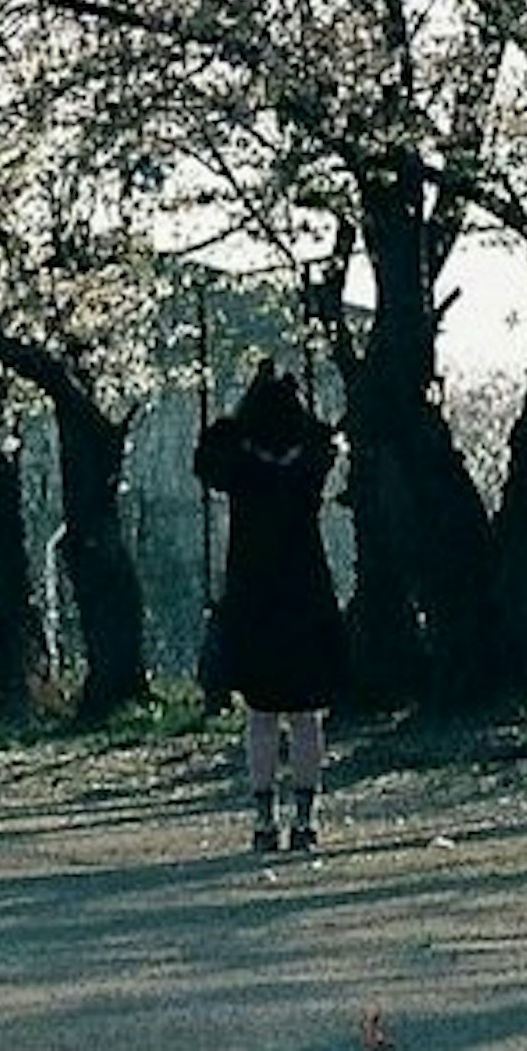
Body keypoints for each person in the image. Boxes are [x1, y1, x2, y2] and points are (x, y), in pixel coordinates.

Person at [192, 359, 349, 853]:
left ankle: (263, 817)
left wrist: (239, 414)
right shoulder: (308, 462)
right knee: (306, 716)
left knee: (261, 715)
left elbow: (206, 458)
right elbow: (326, 437)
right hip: (305, 591)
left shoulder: (239, 464)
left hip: (253, 594)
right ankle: (306, 817)